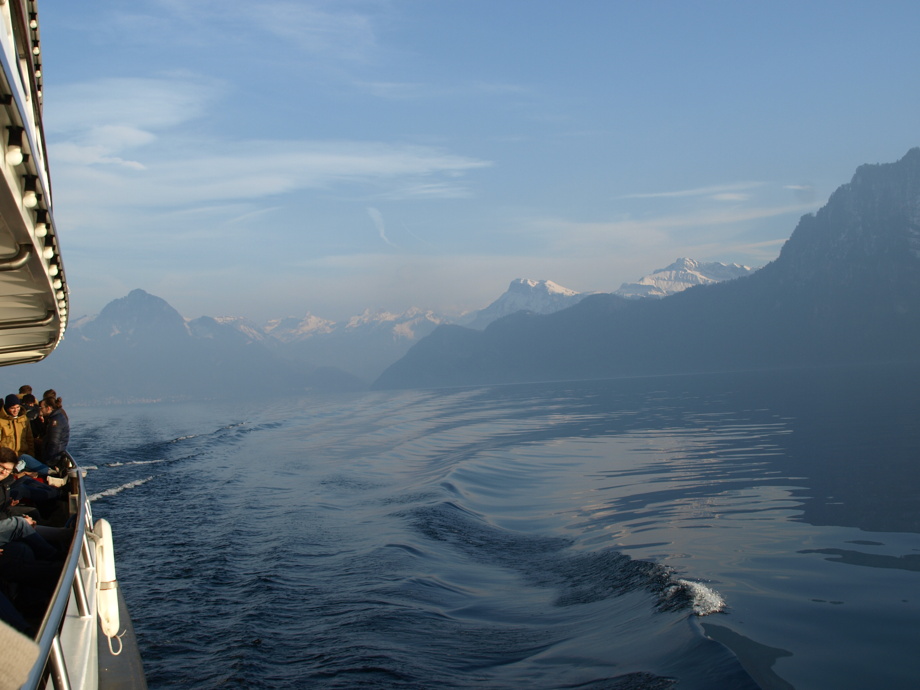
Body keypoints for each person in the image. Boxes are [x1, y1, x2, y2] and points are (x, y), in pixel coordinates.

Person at [0, 395, 50, 477]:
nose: (16, 410)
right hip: (8, 459)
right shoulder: (1, 422)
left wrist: (31, 455)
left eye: (17, 407)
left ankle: (51, 474)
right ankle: (51, 473)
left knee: (26, 459)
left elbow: (29, 439)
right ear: (7, 408)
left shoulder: (24, 419)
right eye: (13, 408)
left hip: (22, 456)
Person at [39, 396, 69, 476]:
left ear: (48, 408)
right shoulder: (57, 417)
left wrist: (49, 461)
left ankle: (52, 473)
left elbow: (54, 442)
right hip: (56, 457)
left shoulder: (55, 421)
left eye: (41, 408)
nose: (40, 410)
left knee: (24, 458)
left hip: (53, 459)